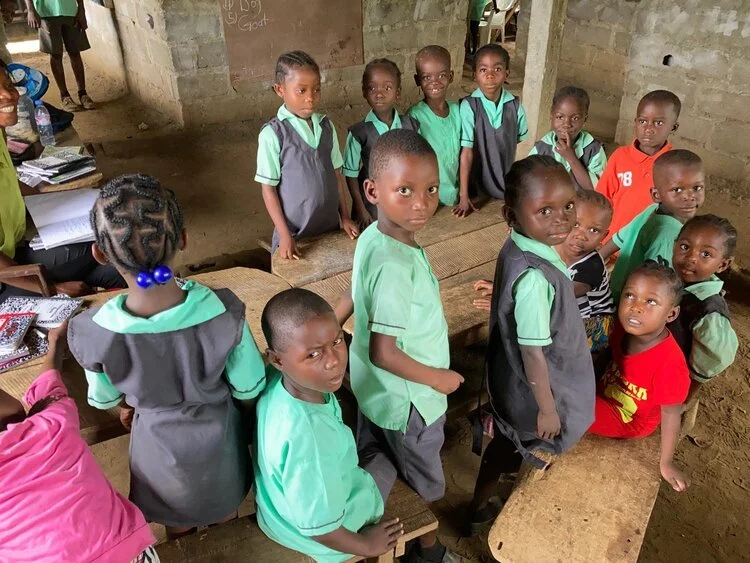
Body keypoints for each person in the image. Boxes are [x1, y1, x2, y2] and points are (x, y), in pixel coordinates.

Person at [68, 174, 266, 539]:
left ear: (100, 253)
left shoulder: (93, 331)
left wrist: (129, 405)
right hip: (219, 447)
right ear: (184, 239)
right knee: (225, 515)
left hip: (158, 455)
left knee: (177, 525)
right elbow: (249, 385)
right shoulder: (224, 312)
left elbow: (104, 399)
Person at [337, 130, 464, 563]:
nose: (422, 203)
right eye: (405, 191)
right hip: (411, 401)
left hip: (374, 391)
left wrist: (332, 326)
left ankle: (382, 522)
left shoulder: (375, 236)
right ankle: (427, 550)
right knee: (422, 482)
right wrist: (439, 379)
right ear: (372, 191)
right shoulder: (395, 263)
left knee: (381, 456)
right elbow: (385, 352)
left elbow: (355, 291)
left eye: (431, 189)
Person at [467, 156, 595, 534]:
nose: (562, 219)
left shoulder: (522, 246)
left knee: (509, 443)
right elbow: (532, 352)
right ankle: (478, 509)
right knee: (511, 445)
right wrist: (548, 410)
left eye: (568, 205)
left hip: (515, 377)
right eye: (545, 211)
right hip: (533, 390)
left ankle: (486, 497)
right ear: (512, 215)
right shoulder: (536, 280)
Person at [254, 288, 404, 562]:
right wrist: (366, 545)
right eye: (313, 355)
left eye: (337, 341)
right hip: (322, 536)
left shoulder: (282, 380)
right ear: (277, 359)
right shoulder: (311, 438)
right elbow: (321, 527)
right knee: (386, 460)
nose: (334, 361)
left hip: (277, 515)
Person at [0, 322, 158, 562]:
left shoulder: (49, 424)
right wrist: (55, 345)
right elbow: (49, 389)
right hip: (124, 550)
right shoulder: (50, 426)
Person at [0, 61, 123, 301]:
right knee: (109, 243)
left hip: (16, 253)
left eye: (8, 85)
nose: (8, 95)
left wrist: (70, 196)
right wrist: (54, 288)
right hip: (5, 279)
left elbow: (10, 184)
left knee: (113, 268)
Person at [589, 262, 691, 493]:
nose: (635, 307)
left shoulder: (669, 365)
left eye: (650, 301)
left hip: (627, 419)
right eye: (630, 295)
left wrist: (666, 463)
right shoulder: (620, 330)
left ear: (671, 314)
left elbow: (671, 413)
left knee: (565, 407)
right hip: (606, 391)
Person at [474, 190, 616, 352]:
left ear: (604, 235)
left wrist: (508, 304)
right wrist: (505, 287)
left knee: (532, 332)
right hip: (565, 313)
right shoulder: (553, 245)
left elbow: (556, 295)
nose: (581, 236)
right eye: (575, 224)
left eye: (594, 230)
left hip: (593, 324)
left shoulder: (591, 267)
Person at [256, 50, 358, 260]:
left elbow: (336, 175)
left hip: (329, 229)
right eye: (301, 90)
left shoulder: (326, 126)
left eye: (316, 89)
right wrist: (284, 234)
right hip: (295, 236)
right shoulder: (273, 134)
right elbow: (268, 189)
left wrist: (345, 218)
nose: (310, 98)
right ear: (280, 90)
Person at [601, 149, 705, 301]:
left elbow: (619, 238)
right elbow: (656, 285)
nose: (689, 197)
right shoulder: (669, 234)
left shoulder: (651, 210)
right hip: (635, 303)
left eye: (697, 188)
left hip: (617, 293)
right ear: (656, 195)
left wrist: (595, 259)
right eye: (677, 190)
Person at [596, 90, 681, 242]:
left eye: (658, 123)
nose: (648, 129)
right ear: (635, 121)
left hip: (647, 246)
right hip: (610, 243)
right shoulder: (620, 157)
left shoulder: (675, 165)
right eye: (642, 121)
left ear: (673, 127)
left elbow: (677, 212)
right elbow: (601, 200)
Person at [343, 58, 420, 225]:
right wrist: (361, 209)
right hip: (371, 207)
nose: (379, 94)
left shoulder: (411, 126)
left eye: (387, 87)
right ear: (364, 92)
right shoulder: (358, 133)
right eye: (372, 88)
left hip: (404, 202)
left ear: (398, 92)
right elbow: (351, 176)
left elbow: (417, 166)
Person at [669, 215, 738, 396]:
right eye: (685, 247)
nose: (691, 258)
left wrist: (686, 399)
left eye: (705, 254)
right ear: (674, 245)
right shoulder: (669, 280)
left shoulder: (709, 310)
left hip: (672, 380)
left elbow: (713, 359)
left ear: (723, 264)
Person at [458, 44, 528, 214]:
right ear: (475, 75)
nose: (490, 76)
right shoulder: (469, 106)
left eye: (497, 69)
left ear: (506, 74)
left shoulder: (515, 106)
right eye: (483, 70)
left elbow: (516, 138)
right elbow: (466, 152)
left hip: (505, 185)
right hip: (476, 186)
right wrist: (463, 195)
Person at [408, 45, 461, 208]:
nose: (435, 82)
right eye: (427, 77)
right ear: (417, 80)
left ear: (451, 76)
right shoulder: (415, 116)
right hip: (429, 200)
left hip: (455, 195)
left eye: (442, 75)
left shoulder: (458, 111)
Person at [528, 86, 607, 191]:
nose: (567, 124)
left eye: (575, 118)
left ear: (585, 119)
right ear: (551, 116)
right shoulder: (541, 149)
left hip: (582, 201)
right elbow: (527, 185)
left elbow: (595, 189)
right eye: (560, 117)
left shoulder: (594, 150)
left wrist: (571, 158)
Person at [24, 0, 95, 111]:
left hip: (70, 10)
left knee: (75, 52)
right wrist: (31, 10)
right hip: (46, 13)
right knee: (56, 54)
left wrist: (81, 9)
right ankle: (64, 96)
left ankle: (83, 93)